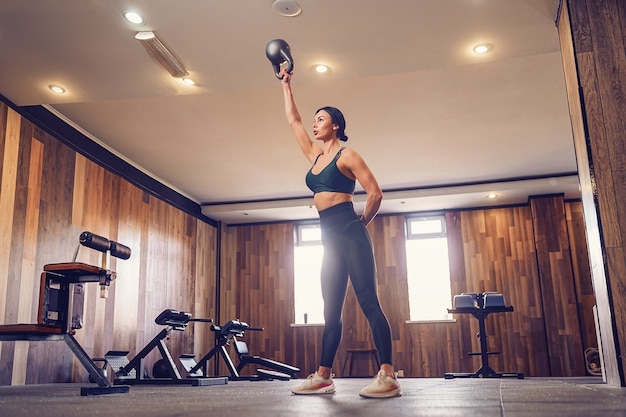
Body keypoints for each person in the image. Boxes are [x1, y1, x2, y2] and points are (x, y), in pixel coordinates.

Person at [280, 69, 401, 399]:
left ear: (336, 126)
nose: (315, 123)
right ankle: (323, 376)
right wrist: (286, 85)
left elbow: (375, 193)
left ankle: (388, 375)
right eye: (315, 119)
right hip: (328, 242)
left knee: (368, 302)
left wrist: (361, 224)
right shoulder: (315, 156)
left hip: (350, 233)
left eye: (321, 119)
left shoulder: (347, 155)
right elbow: (294, 122)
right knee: (330, 311)